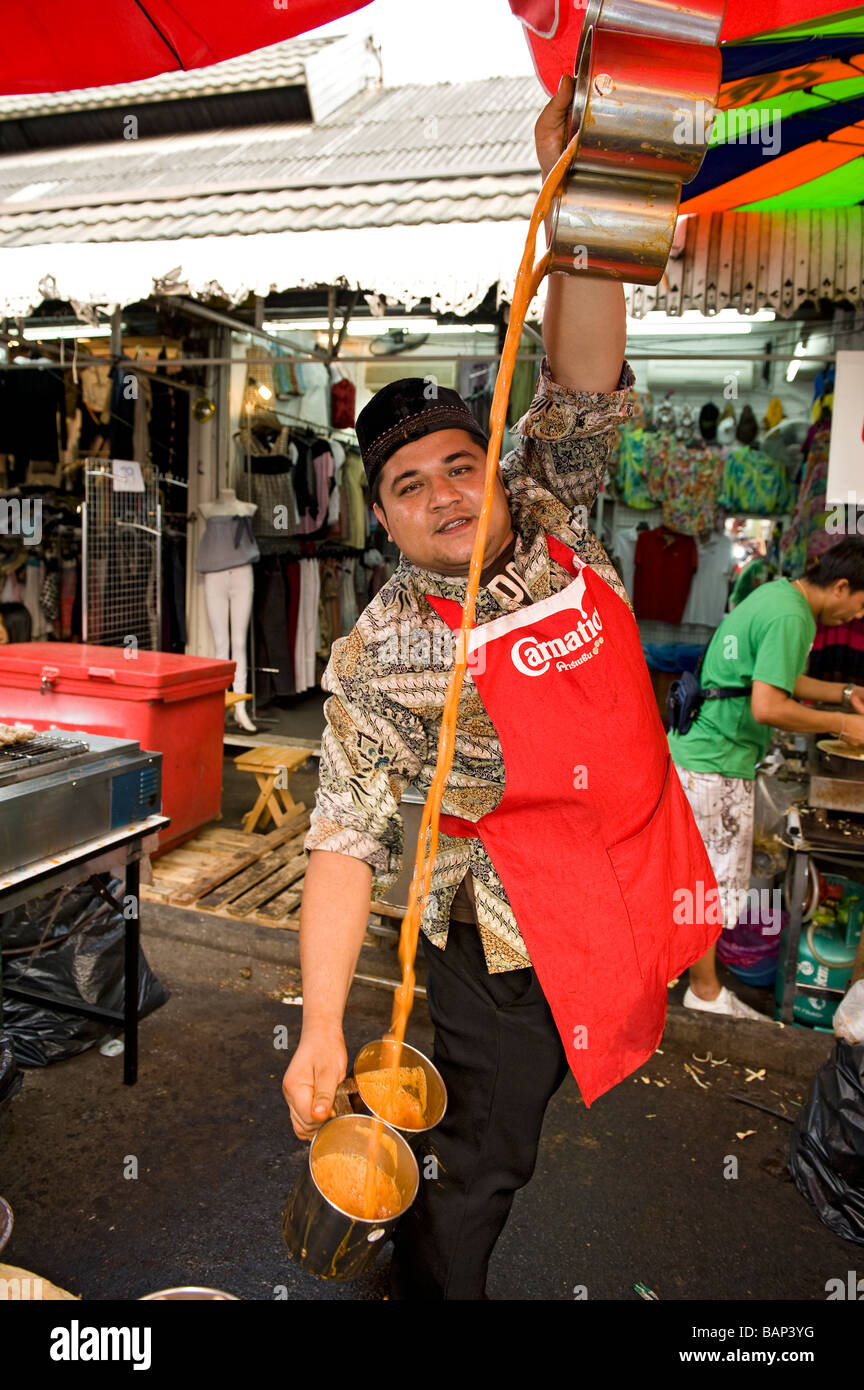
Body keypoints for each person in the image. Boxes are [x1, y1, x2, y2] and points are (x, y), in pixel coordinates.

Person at [282, 75, 720, 1301]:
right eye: (410, 485)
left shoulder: (546, 508)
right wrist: (319, 1024)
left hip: (623, 867)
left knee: (493, 1138)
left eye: (459, 465)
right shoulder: (376, 652)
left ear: (497, 470)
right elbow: (342, 839)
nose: (446, 495)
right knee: (479, 1159)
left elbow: (581, 367)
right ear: (382, 521)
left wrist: (570, 197)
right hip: (495, 929)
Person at [670, 537, 864, 1020]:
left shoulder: (780, 595)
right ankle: (706, 993)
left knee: (697, 880)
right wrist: (844, 724)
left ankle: (683, 976)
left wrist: (845, 693)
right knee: (709, 888)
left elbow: (782, 681)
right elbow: (768, 705)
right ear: (842, 587)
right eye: (862, 604)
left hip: (700, 756)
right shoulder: (793, 616)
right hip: (716, 764)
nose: (858, 617)